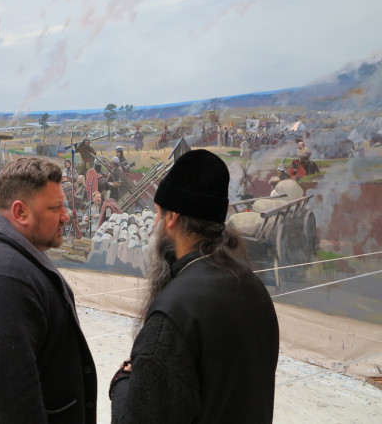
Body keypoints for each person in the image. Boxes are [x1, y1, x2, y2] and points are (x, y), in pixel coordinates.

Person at [110, 149, 279, 423]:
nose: (155, 225)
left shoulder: (172, 316)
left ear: (172, 218)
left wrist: (123, 381)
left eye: (158, 215)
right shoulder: (253, 287)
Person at [0, 157, 97, 424]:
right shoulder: (0, 278)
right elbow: (12, 407)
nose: (66, 216)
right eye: (55, 208)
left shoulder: (12, 259)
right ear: (20, 212)